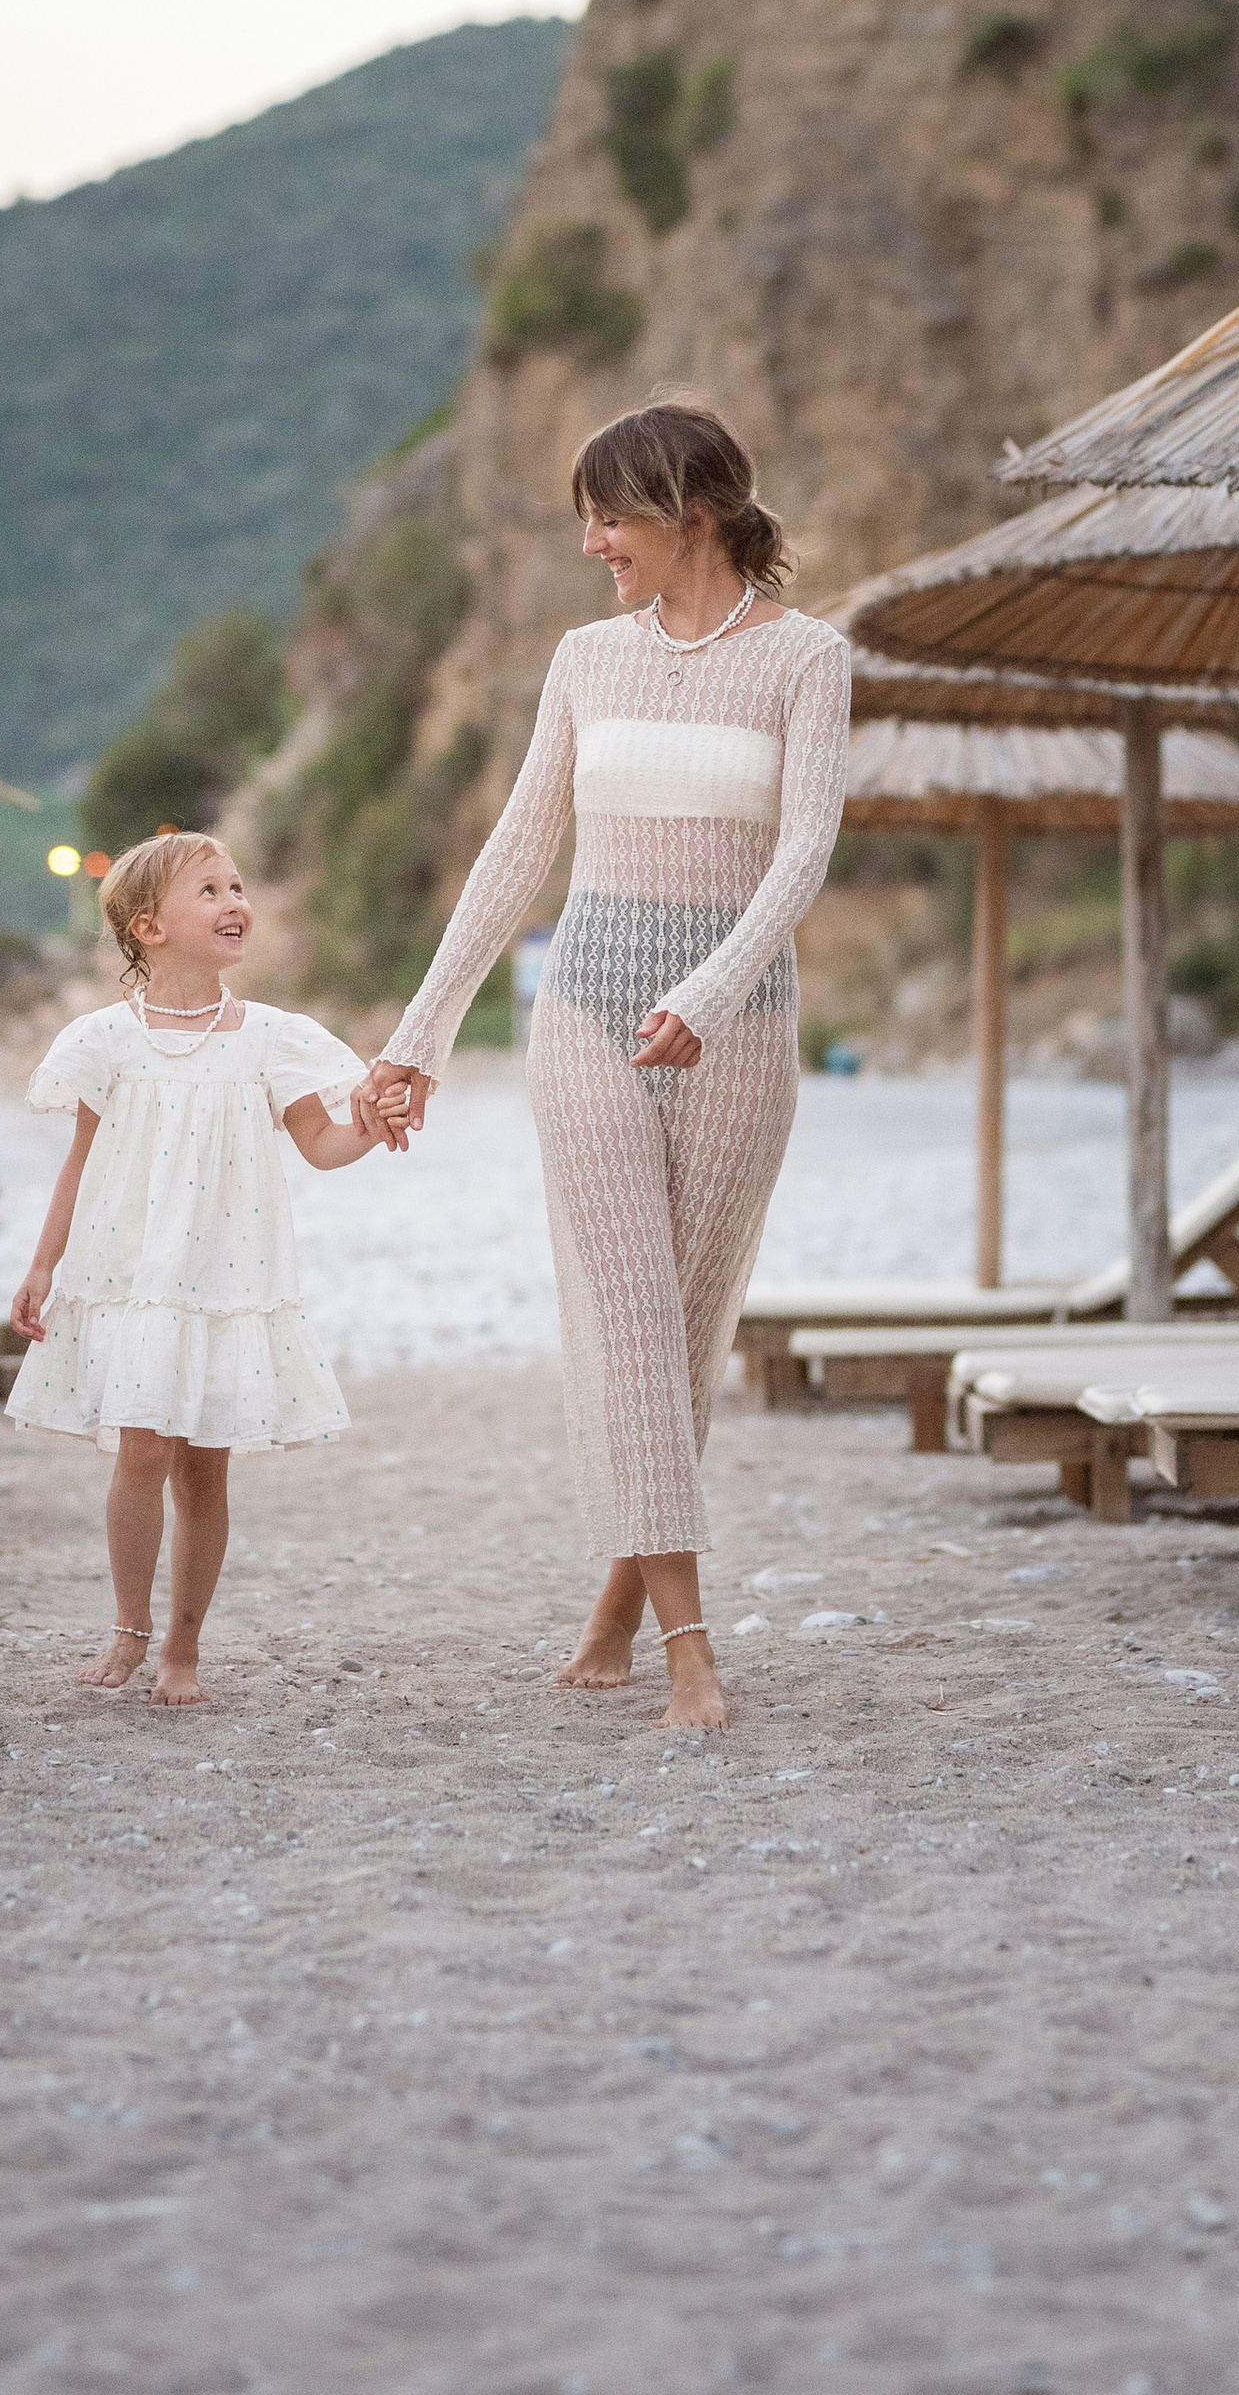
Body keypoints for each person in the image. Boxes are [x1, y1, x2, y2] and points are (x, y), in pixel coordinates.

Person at [359, 400, 849, 1733]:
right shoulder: (584, 659)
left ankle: (617, 1611)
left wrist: (708, 993)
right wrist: (417, 1038)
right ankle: (692, 1649)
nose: (592, 545)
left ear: (696, 511)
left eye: (611, 517)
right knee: (630, 1315)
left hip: (738, 1028)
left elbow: (804, 851)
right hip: (583, 1013)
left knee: (680, 1336)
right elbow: (518, 850)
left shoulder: (807, 658)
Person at [7, 828, 401, 1706]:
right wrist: (43, 1266)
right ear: (149, 927)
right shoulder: (106, 1039)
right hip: (135, 1276)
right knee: (141, 1449)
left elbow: (322, 1144)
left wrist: (371, 1127)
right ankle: (128, 1626)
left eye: (237, 887)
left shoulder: (272, 1038)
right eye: (210, 891)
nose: (235, 904)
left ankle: (183, 1646)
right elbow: (80, 1161)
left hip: (224, 1279)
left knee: (204, 1470)